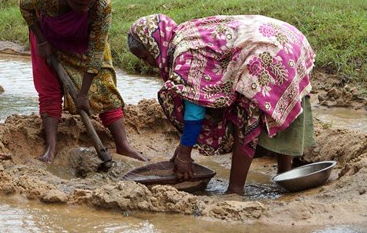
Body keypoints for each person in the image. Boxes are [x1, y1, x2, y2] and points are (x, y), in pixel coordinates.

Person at [127, 13, 316, 195]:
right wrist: (181, 150)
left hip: (270, 50)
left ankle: (235, 190)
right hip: (285, 38)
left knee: (244, 113)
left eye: (145, 57)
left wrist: (184, 154)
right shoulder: (183, 35)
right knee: (260, 105)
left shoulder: (184, 55)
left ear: (154, 45)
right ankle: (285, 174)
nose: (148, 63)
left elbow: (195, 111)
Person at [19, 0, 147, 164]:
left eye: (89, 4)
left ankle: (123, 145)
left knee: (104, 85)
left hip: (85, 41)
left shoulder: (102, 5)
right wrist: (42, 41)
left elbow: (97, 54)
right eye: (79, 4)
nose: (85, 9)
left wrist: (83, 94)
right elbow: (23, 5)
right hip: (48, 38)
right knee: (49, 88)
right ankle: (51, 147)